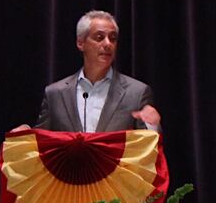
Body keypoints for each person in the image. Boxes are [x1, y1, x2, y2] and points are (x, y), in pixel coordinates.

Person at [34, 10, 162, 132]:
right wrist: (23, 136)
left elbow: (148, 147)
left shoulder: (136, 93)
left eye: (112, 38)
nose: (108, 44)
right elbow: (41, 143)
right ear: (80, 43)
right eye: (99, 37)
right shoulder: (55, 94)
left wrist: (152, 126)